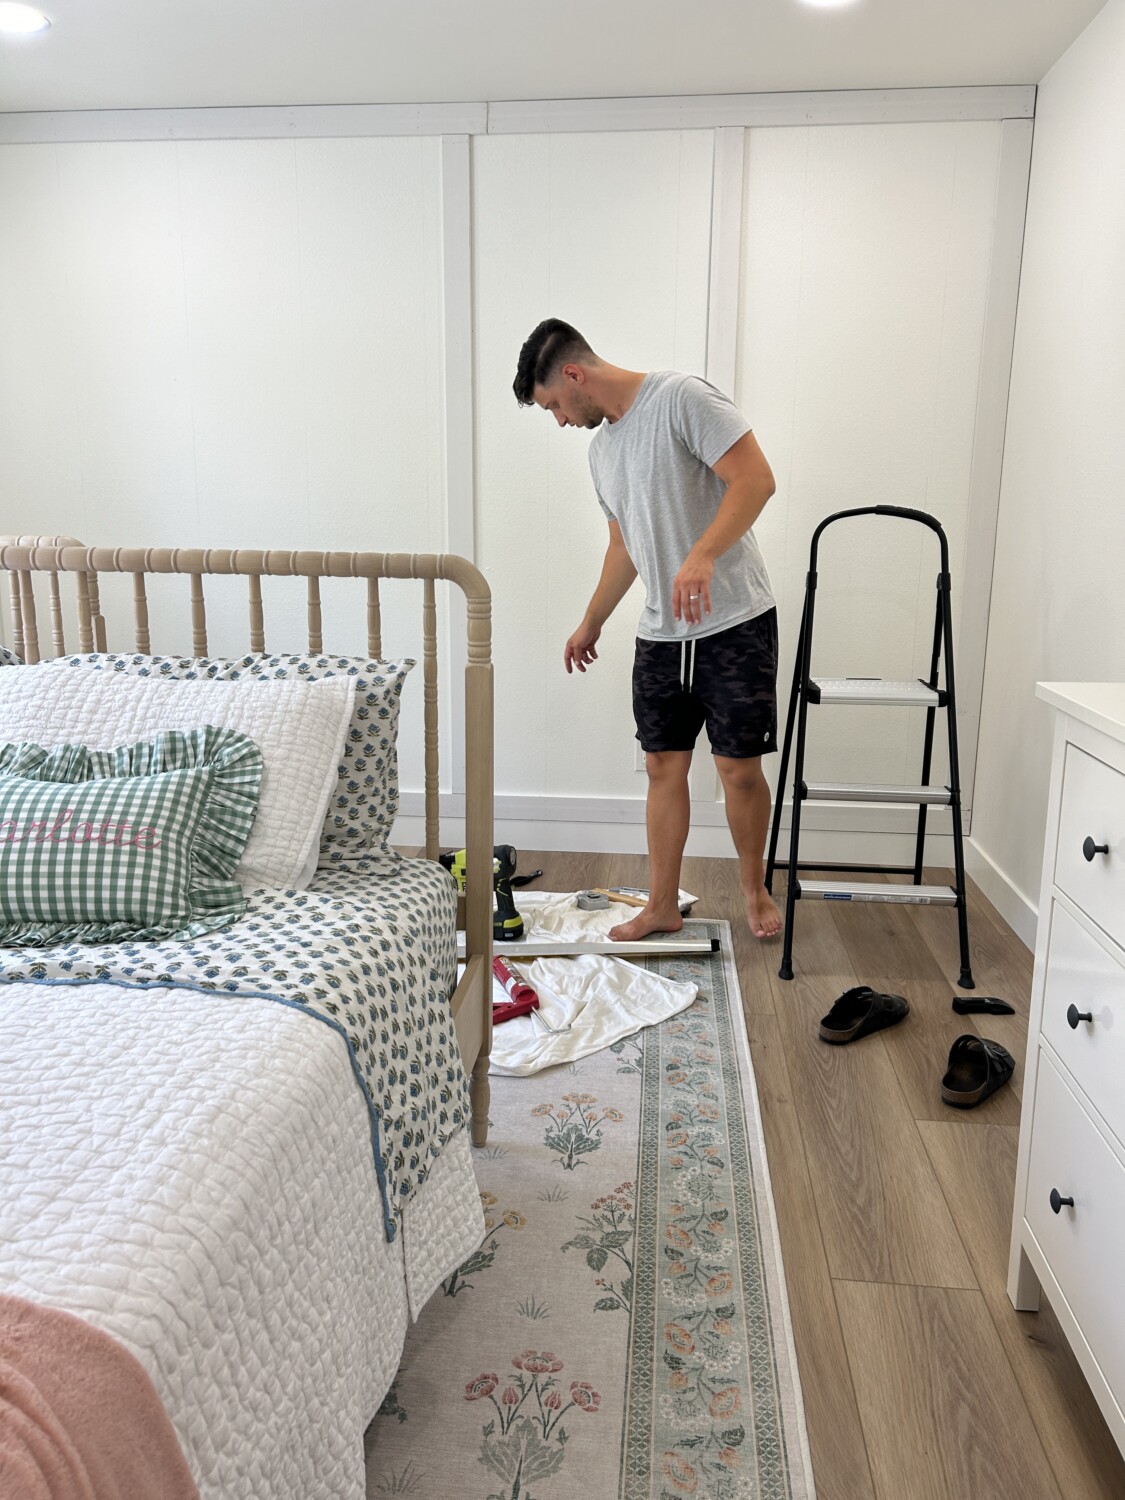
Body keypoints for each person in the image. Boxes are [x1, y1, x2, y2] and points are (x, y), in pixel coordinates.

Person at [513, 317, 782, 942]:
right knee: (664, 765)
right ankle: (661, 904)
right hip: (662, 634)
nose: (558, 419)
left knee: (738, 770)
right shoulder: (601, 451)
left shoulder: (682, 398)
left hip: (734, 622)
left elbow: (756, 479)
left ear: (574, 375)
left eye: (554, 404)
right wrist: (591, 621)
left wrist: (704, 553)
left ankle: (753, 887)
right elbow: (623, 545)